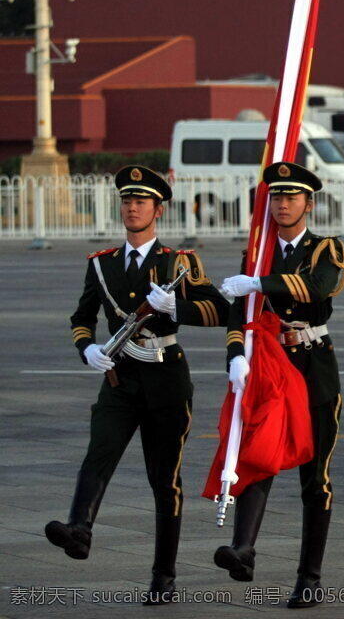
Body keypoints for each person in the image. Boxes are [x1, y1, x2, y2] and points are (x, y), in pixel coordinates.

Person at [52, 165, 228, 605]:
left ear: (158, 210)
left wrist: (177, 307)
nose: (132, 207)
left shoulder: (178, 263)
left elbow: (222, 311)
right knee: (98, 454)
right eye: (127, 201)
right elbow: (81, 318)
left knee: (163, 480)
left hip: (166, 379)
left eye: (141, 201)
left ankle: (164, 576)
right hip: (119, 380)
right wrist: (87, 348)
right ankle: (79, 528)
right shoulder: (102, 264)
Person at [216, 161, 344, 609]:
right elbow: (239, 312)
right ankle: (244, 549)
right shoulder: (258, 251)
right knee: (259, 455)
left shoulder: (326, 248)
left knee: (316, 479)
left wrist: (260, 281)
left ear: (309, 203)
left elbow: (316, 287)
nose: (283, 204)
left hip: (312, 367)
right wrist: (235, 353)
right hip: (270, 364)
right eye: (277, 197)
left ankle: (309, 576)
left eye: (292, 197)